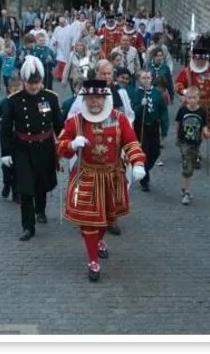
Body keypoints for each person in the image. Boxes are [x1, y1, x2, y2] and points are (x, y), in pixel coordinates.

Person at [56, 79, 146, 281]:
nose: (94, 102)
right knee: (88, 222)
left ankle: (97, 241)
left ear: (105, 98)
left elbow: (131, 141)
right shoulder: (75, 122)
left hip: (112, 176)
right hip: (86, 176)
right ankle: (93, 260)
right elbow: (59, 145)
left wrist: (138, 162)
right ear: (84, 100)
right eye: (90, 98)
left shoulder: (119, 119)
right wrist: (71, 144)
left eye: (98, 98)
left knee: (107, 218)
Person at [0, 55, 64, 241]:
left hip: (44, 147)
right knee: (25, 188)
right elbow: (5, 129)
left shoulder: (50, 98)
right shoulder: (13, 100)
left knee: (41, 183)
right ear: (24, 81)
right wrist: (5, 152)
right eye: (30, 83)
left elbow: (59, 124)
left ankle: (41, 210)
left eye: (37, 83)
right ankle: (28, 226)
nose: (34, 87)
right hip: (22, 148)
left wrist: (65, 143)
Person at [131, 70, 169, 192]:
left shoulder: (157, 93)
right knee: (144, 152)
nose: (146, 80)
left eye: (148, 78)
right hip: (141, 126)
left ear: (151, 78)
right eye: (143, 78)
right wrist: (140, 106)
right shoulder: (136, 93)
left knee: (155, 152)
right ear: (139, 79)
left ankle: (145, 169)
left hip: (153, 126)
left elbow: (163, 111)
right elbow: (132, 111)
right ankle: (145, 181)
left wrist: (164, 127)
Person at [175, 86, 210, 205]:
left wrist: (205, 132)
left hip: (196, 142)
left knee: (192, 164)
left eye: (194, 98)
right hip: (184, 141)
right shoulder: (182, 110)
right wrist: (177, 138)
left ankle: (185, 187)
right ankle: (186, 192)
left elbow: (204, 125)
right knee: (188, 165)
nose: (191, 100)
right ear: (186, 98)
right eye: (189, 98)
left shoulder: (202, 111)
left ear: (198, 98)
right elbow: (178, 124)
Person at [0, 73, 23, 202]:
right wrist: (3, 120)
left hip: (19, 137)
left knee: (18, 165)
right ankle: (7, 183)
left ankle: (16, 192)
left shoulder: (23, 102)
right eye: (14, 90)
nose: (17, 92)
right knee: (6, 164)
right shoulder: (2, 102)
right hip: (6, 137)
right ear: (9, 89)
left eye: (19, 89)